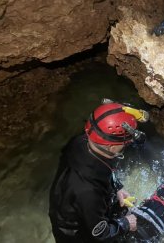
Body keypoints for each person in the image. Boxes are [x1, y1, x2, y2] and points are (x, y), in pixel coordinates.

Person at [49, 99, 148, 242]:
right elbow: (100, 233)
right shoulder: (88, 191)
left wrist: (117, 187)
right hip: (76, 236)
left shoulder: (81, 142)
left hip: (70, 205)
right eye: (124, 144)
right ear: (112, 148)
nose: (125, 146)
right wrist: (126, 223)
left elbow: (104, 170)